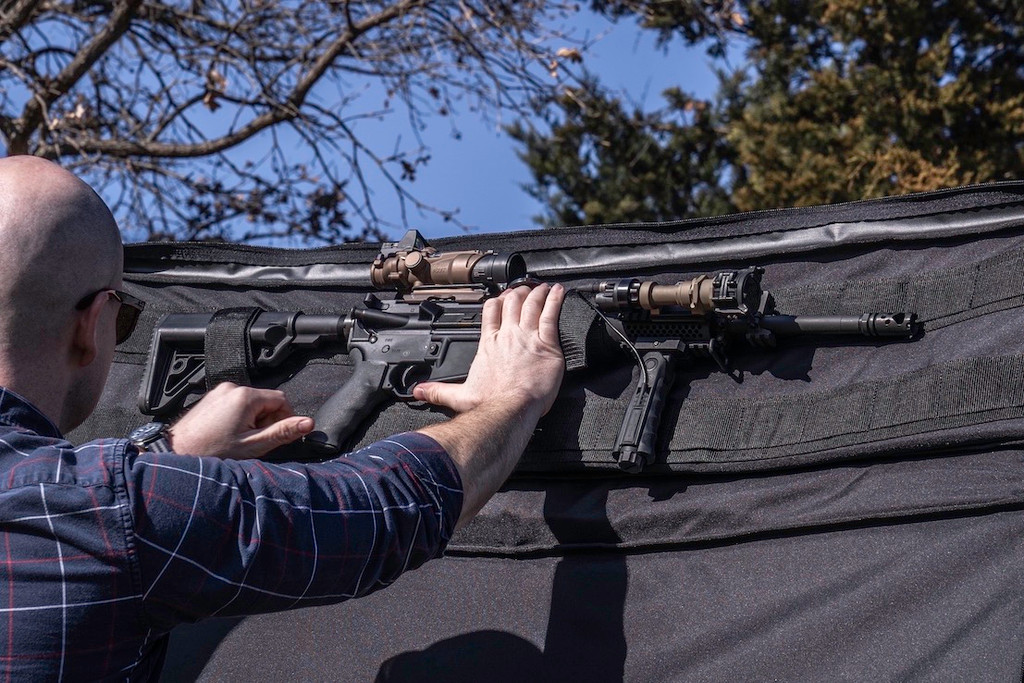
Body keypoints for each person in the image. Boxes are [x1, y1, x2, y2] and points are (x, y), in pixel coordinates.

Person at [0, 156, 565, 679]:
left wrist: (164, 459)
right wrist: (510, 401)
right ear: (90, 323)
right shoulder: (105, 509)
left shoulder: (94, 504)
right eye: (124, 320)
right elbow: (381, 511)